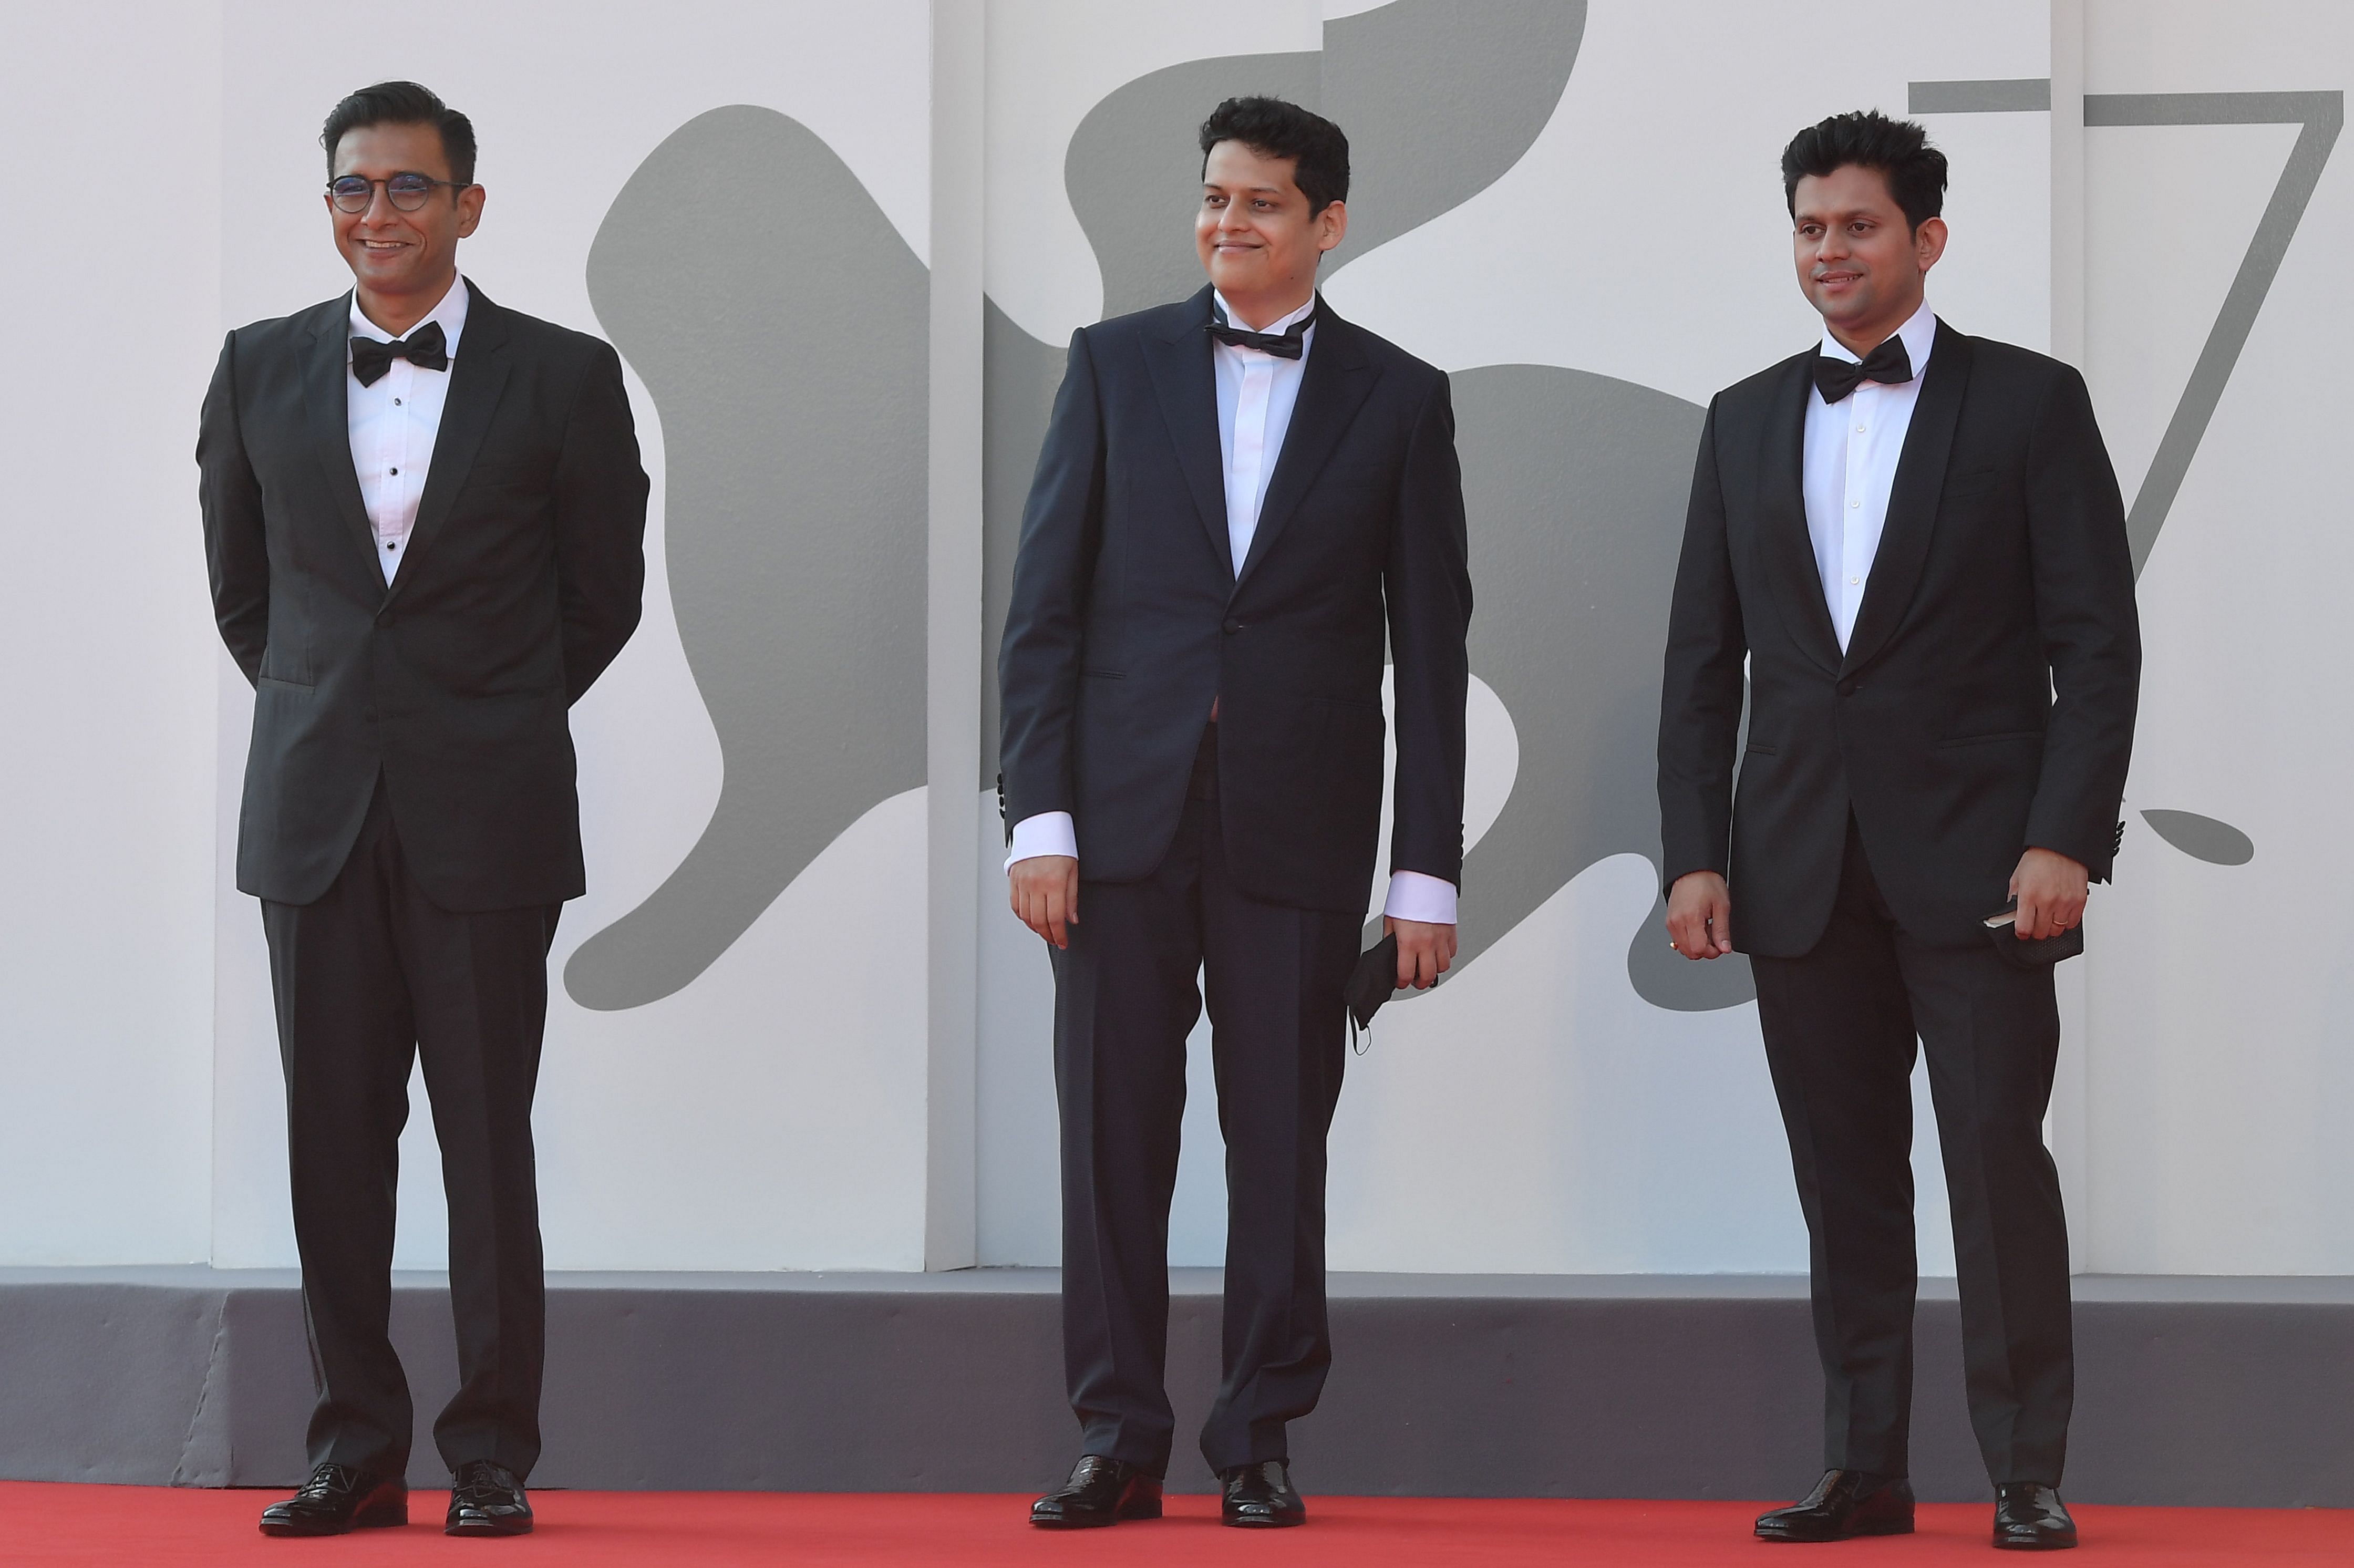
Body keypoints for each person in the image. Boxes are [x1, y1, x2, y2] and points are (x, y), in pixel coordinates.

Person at [1657, 111, 2139, 1552]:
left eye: (1857, 226)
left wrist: (2067, 837)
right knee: (1845, 1180)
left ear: (1927, 240)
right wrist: (1695, 851)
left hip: (1988, 869)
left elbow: (2096, 647)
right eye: (1810, 226)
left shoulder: (2031, 405)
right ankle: (1863, 1468)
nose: (1829, 251)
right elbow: (1699, 662)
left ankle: (2024, 1474)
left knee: (1997, 1167)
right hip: (1797, 872)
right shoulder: (1742, 417)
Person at [998, 95, 1471, 1530]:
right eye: (1214, 198)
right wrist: (1041, 819)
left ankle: (1258, 1431)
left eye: (1260, 203)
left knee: (1280, 1141)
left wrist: (1425, 876)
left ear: (1328, 223)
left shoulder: (1399, 396)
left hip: (1301, 827)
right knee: (1111, 1141)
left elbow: (1432, 649)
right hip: (1119, 828)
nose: (1227, 223)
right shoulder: (1116, 364)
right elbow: (1046, 613)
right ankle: (1116, 1433)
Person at [198, 81, 647, 1538]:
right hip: (316, 813)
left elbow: (604, 597)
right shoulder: (255, 369)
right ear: (329, 205)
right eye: (353, 189)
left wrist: (487, 715)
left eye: (406, 187)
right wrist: (349, 715)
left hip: (489, 816)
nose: (375, 214)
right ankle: (354, 1450)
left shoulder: (567, 376)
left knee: (483, 1142)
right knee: (332, 1143)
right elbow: (246, 599)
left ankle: (492, 1449)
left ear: (468, 204)